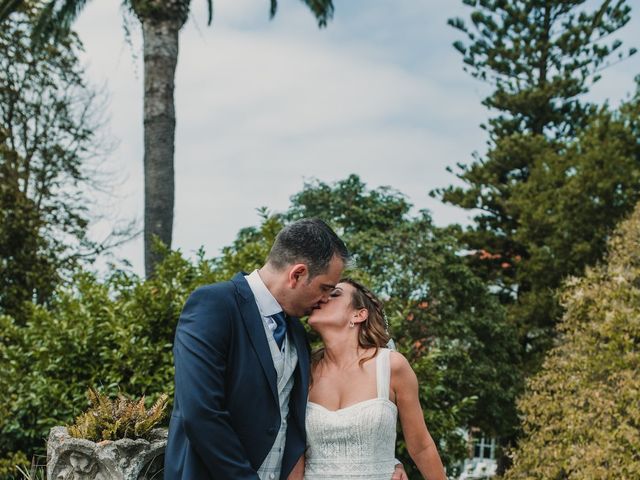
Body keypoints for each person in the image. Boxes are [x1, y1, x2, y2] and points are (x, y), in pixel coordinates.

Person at [164, 219, 408, 480]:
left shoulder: (297, 331)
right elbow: (201, 412)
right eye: (325, 288)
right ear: (297, 274)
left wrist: (383, 464)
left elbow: (298, 422)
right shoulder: (215, 305)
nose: (325, 299)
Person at [288, 278, 447, 480]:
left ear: (359, 314)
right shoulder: (303, 371)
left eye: (335, 294)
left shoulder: (391, 366)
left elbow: (422, 447)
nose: (323, 297)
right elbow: (294, 451)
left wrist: (393, 463)